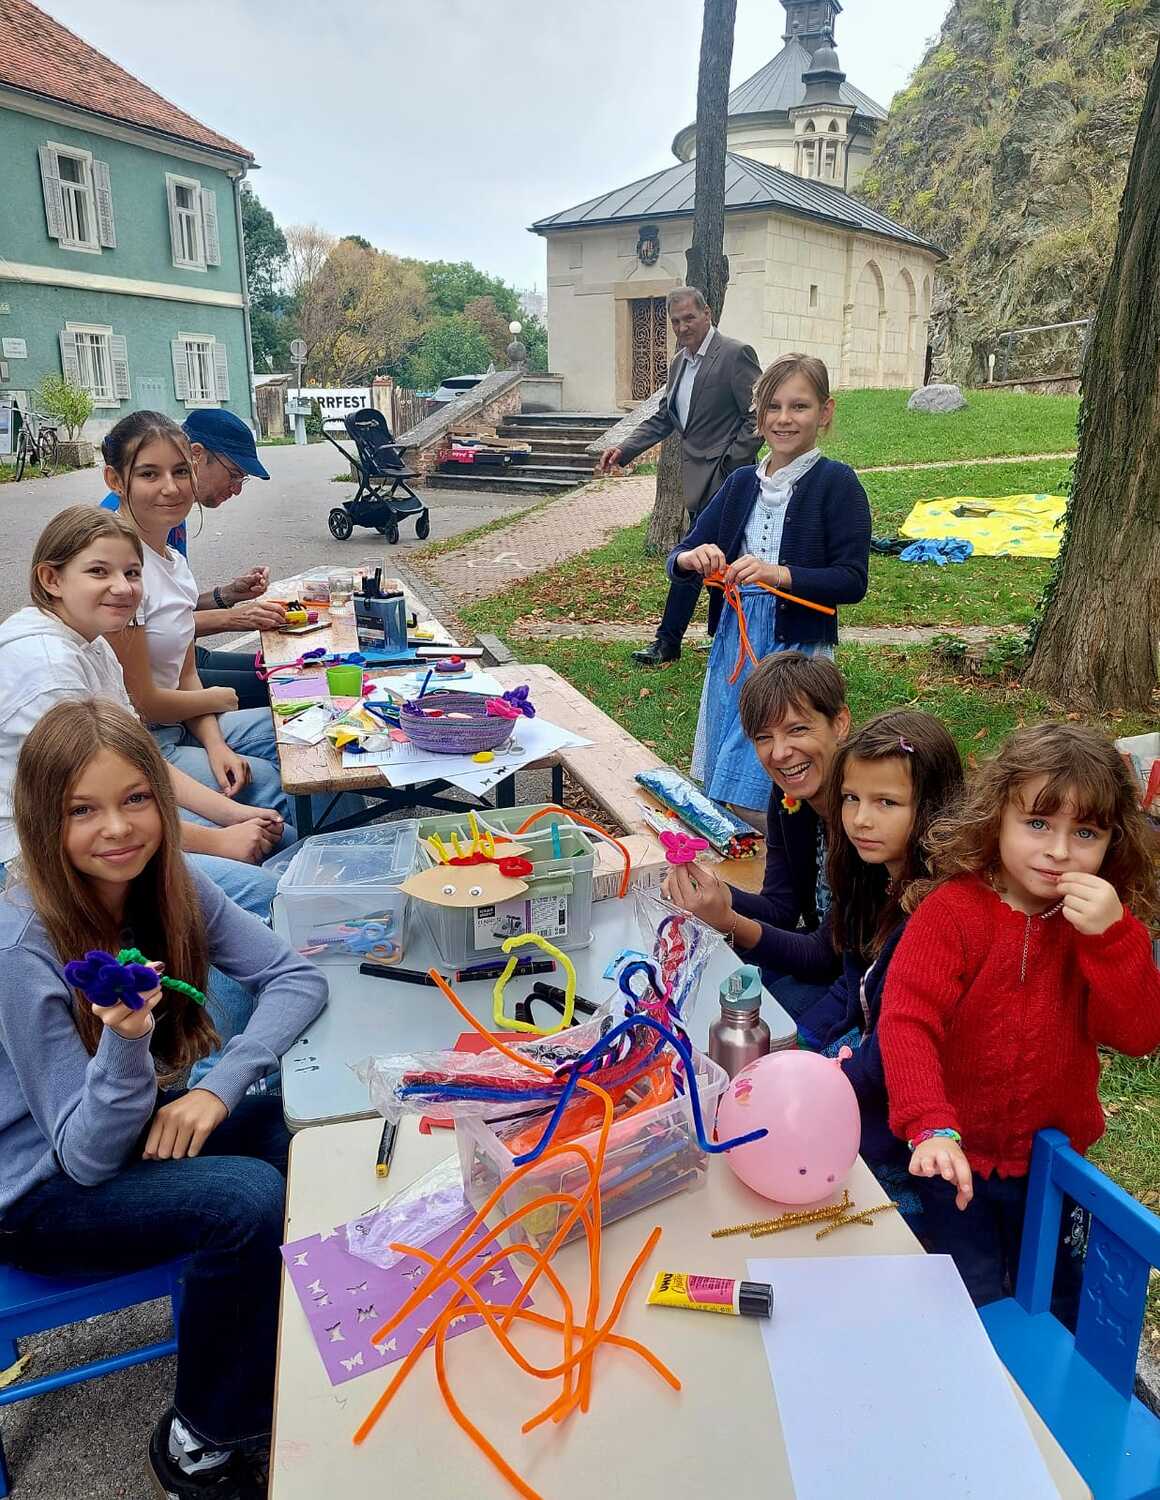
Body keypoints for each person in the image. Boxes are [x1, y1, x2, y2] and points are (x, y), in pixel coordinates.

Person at [0, 700, 327, 1499]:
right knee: (246, 1201)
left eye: (136, 799)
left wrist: (217, 1088)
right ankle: (203, 1439)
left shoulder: (169, 883)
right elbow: (83, 1159)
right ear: (42, 821)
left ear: (161, 795)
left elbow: (294, 977)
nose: (117, 828)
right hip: (37, 1191)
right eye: (82, 810)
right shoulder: (20, 945)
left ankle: (277, 1341)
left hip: (116, 1132)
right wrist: (126, 1040)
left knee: (299, 1134)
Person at [879, 722, 1160, 1308]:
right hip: (954, 1156)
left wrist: (1113, 939)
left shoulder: (1098, 926)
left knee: (1059, 1293)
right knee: (972, 1292)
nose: (1059, 851)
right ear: (997, 817)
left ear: (1112, 842)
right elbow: (907, 1021)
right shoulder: (952, 913)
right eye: (1037, 824)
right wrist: (929, 1123)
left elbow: (1136, 1035)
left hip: (1053, 1167)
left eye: (1085, 832)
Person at [673, 353, 870, 825]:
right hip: (735, 648)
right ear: (759, 417)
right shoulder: (742, 484)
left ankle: (795, 850)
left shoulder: (836, 483)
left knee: (772, 779)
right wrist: (693, 558)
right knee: (726, 773)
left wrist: (777, 574)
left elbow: (852, 579)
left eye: (799, 406)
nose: (784, 419)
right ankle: (748, 854)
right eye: (773, 407)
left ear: (825, 412)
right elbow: (682, 553)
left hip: (795, 650)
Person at [795, 709, 964, 1214]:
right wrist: (802, 1044)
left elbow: (896, 1046)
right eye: (851, 798)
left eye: (886, 802)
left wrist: (819, 1091)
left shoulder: (936, 914)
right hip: (866, 1057)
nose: (860, 819)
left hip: (922, 1107)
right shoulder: (872, 876)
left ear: (933, 808)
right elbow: (853, 986)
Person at [100, 411, 292, 826]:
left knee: (302, 735)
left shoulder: (171, 555)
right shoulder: (116, 566)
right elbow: (143, 701)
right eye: (149, 474)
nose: (170, 487)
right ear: (116, 481)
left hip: (177, 722)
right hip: (137, 743)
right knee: (279, 789)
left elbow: (185, 669)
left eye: (180, 472)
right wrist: (220, 698)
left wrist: (216, 744)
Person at [661, 651, 849, 1019]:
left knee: (740, 1011)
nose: (780, 753)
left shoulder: (867, 817)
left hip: (861, 984)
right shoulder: (789, 797)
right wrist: (713, 892)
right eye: (764, 737)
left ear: (839, 723)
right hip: (822, 958)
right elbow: (781, 910)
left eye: (798, 729)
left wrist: (728, 921)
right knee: (703, 985)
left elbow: (826, 957)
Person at [597, 287, 761, 667]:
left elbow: (756, 416)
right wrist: (625, 449)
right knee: (716, 557)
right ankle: (720, 637)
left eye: (689, 318)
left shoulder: (735, 354)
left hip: (726, 480)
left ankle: (668, 641)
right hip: (696, 481)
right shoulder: (679, 363)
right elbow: (665, 416)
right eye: (675, 321)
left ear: (707, 313)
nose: (683, 327)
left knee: (694, 555)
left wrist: (729, 466)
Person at [100, 407, 283, 708]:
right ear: (196, 455)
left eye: (180, 472)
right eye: (234, 474)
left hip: (179, 659)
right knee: (283, 687)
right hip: (151, 683)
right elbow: (148, 636)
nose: (237, 489)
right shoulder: (119, 536)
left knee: (285, 671)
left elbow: (166, 605)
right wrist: (234, 618)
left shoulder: (169, 519)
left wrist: (226, 595)